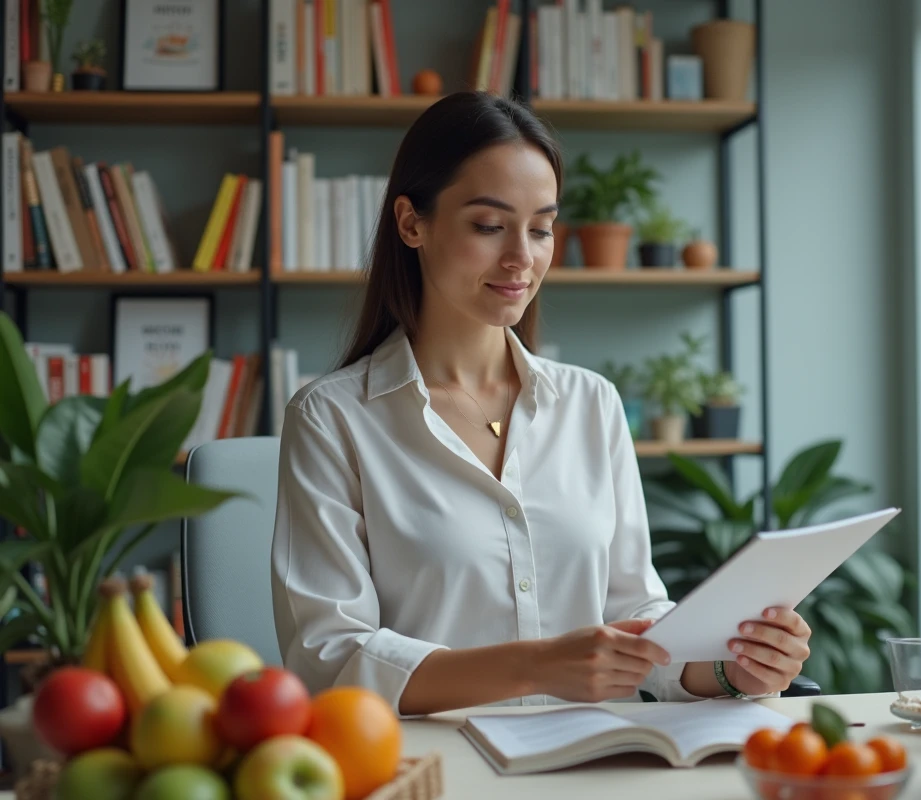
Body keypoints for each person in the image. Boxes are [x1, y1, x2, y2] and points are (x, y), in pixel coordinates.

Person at [270, 91, 811, 717]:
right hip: (435, 761)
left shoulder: (590, 403)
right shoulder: (332, 418)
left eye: (541, 229)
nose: (521, 259)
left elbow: (636, 615)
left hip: (595, 757)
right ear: (412, 223)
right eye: (488, 226)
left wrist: (728, 666)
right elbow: (330, 659)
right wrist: (534, 666)